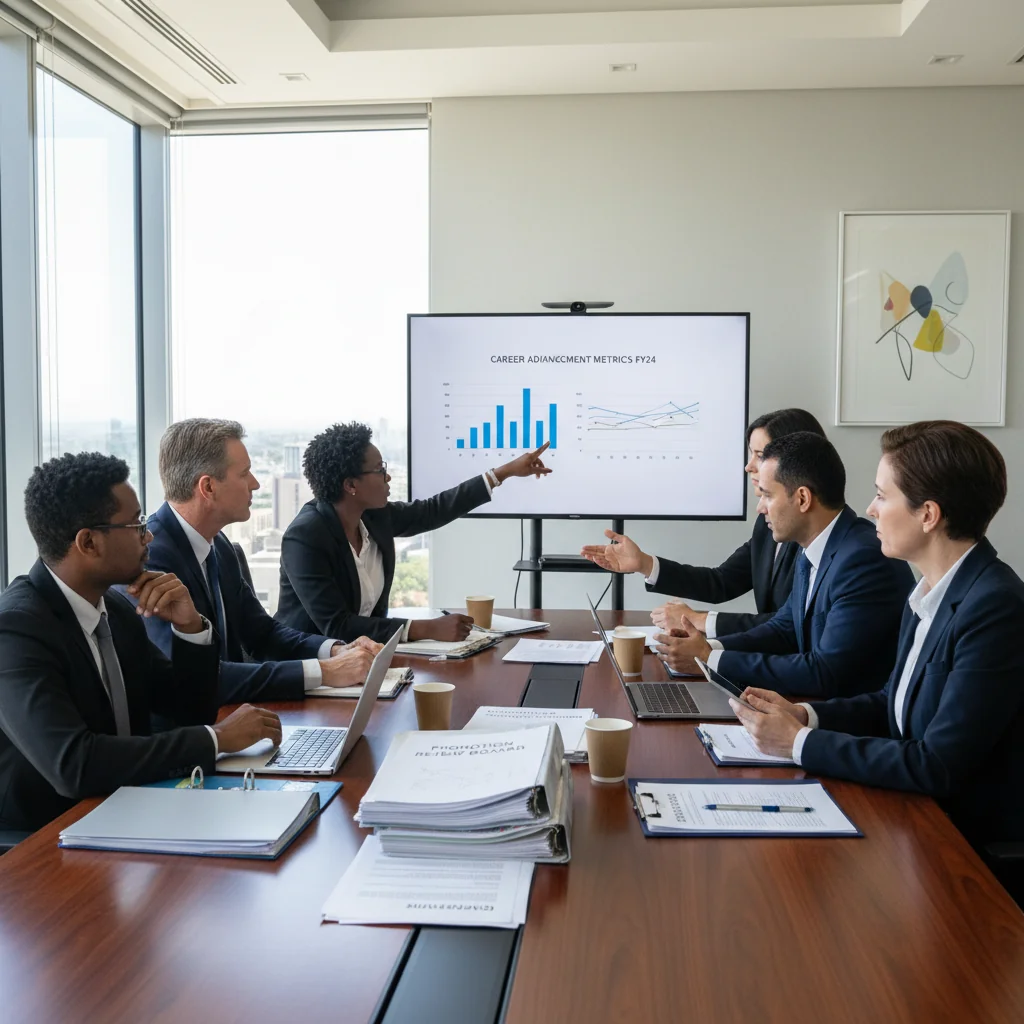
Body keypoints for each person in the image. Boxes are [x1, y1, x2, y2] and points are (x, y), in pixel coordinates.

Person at [730, 422, 1024, 897]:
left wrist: (799, 742)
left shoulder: (994, 607)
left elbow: (936, 764)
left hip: (962, 857)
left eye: (882, 496)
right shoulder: (928, 591)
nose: (869, 510)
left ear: (927, 514)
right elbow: (892, 703)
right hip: (911, 823)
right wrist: (805, 714)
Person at [0, 452, 281, 836]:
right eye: (136, 525)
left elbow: (187, 709)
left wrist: (191, 626)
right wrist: (216, 739)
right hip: (45, 838)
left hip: (128, 810)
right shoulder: (16, 630)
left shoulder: (113, 608)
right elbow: (74, 764)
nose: (148, 536)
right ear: (89, 543)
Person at [651, 431, 914, 697]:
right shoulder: (814, 546)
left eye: (767, 495)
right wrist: (708, 646)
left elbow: (827, 672)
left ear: (802, 499)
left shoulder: (863, 559)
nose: (760, 508)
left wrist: (710, 658)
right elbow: (785, 629)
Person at [139, 419, 382, 706]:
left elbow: (262, 633)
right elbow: (192, 678)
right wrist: (322, 672)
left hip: (236, 719)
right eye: (244, 474)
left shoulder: (219, 545)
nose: (255, 483)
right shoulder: (151, 558)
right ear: (208, 487)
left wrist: (335, 651)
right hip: (192, 736)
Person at [276, 422, 552, 643]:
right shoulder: (305, 537)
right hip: (310, 669)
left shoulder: (373, 517)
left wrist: (503, 473)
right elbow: (337, 625)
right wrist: (426, 629)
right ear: (351, 484)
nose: (388, 477)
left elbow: (434, 510)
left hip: (363, 662)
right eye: (380, 470)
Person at [581, 408, 826, 639]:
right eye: (750, 454)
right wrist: (644, 563)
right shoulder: (767, 523)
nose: (748, 466)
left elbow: (791, 624)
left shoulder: (817, 536)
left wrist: (699, 621)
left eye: (759, 456)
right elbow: (721, 582)